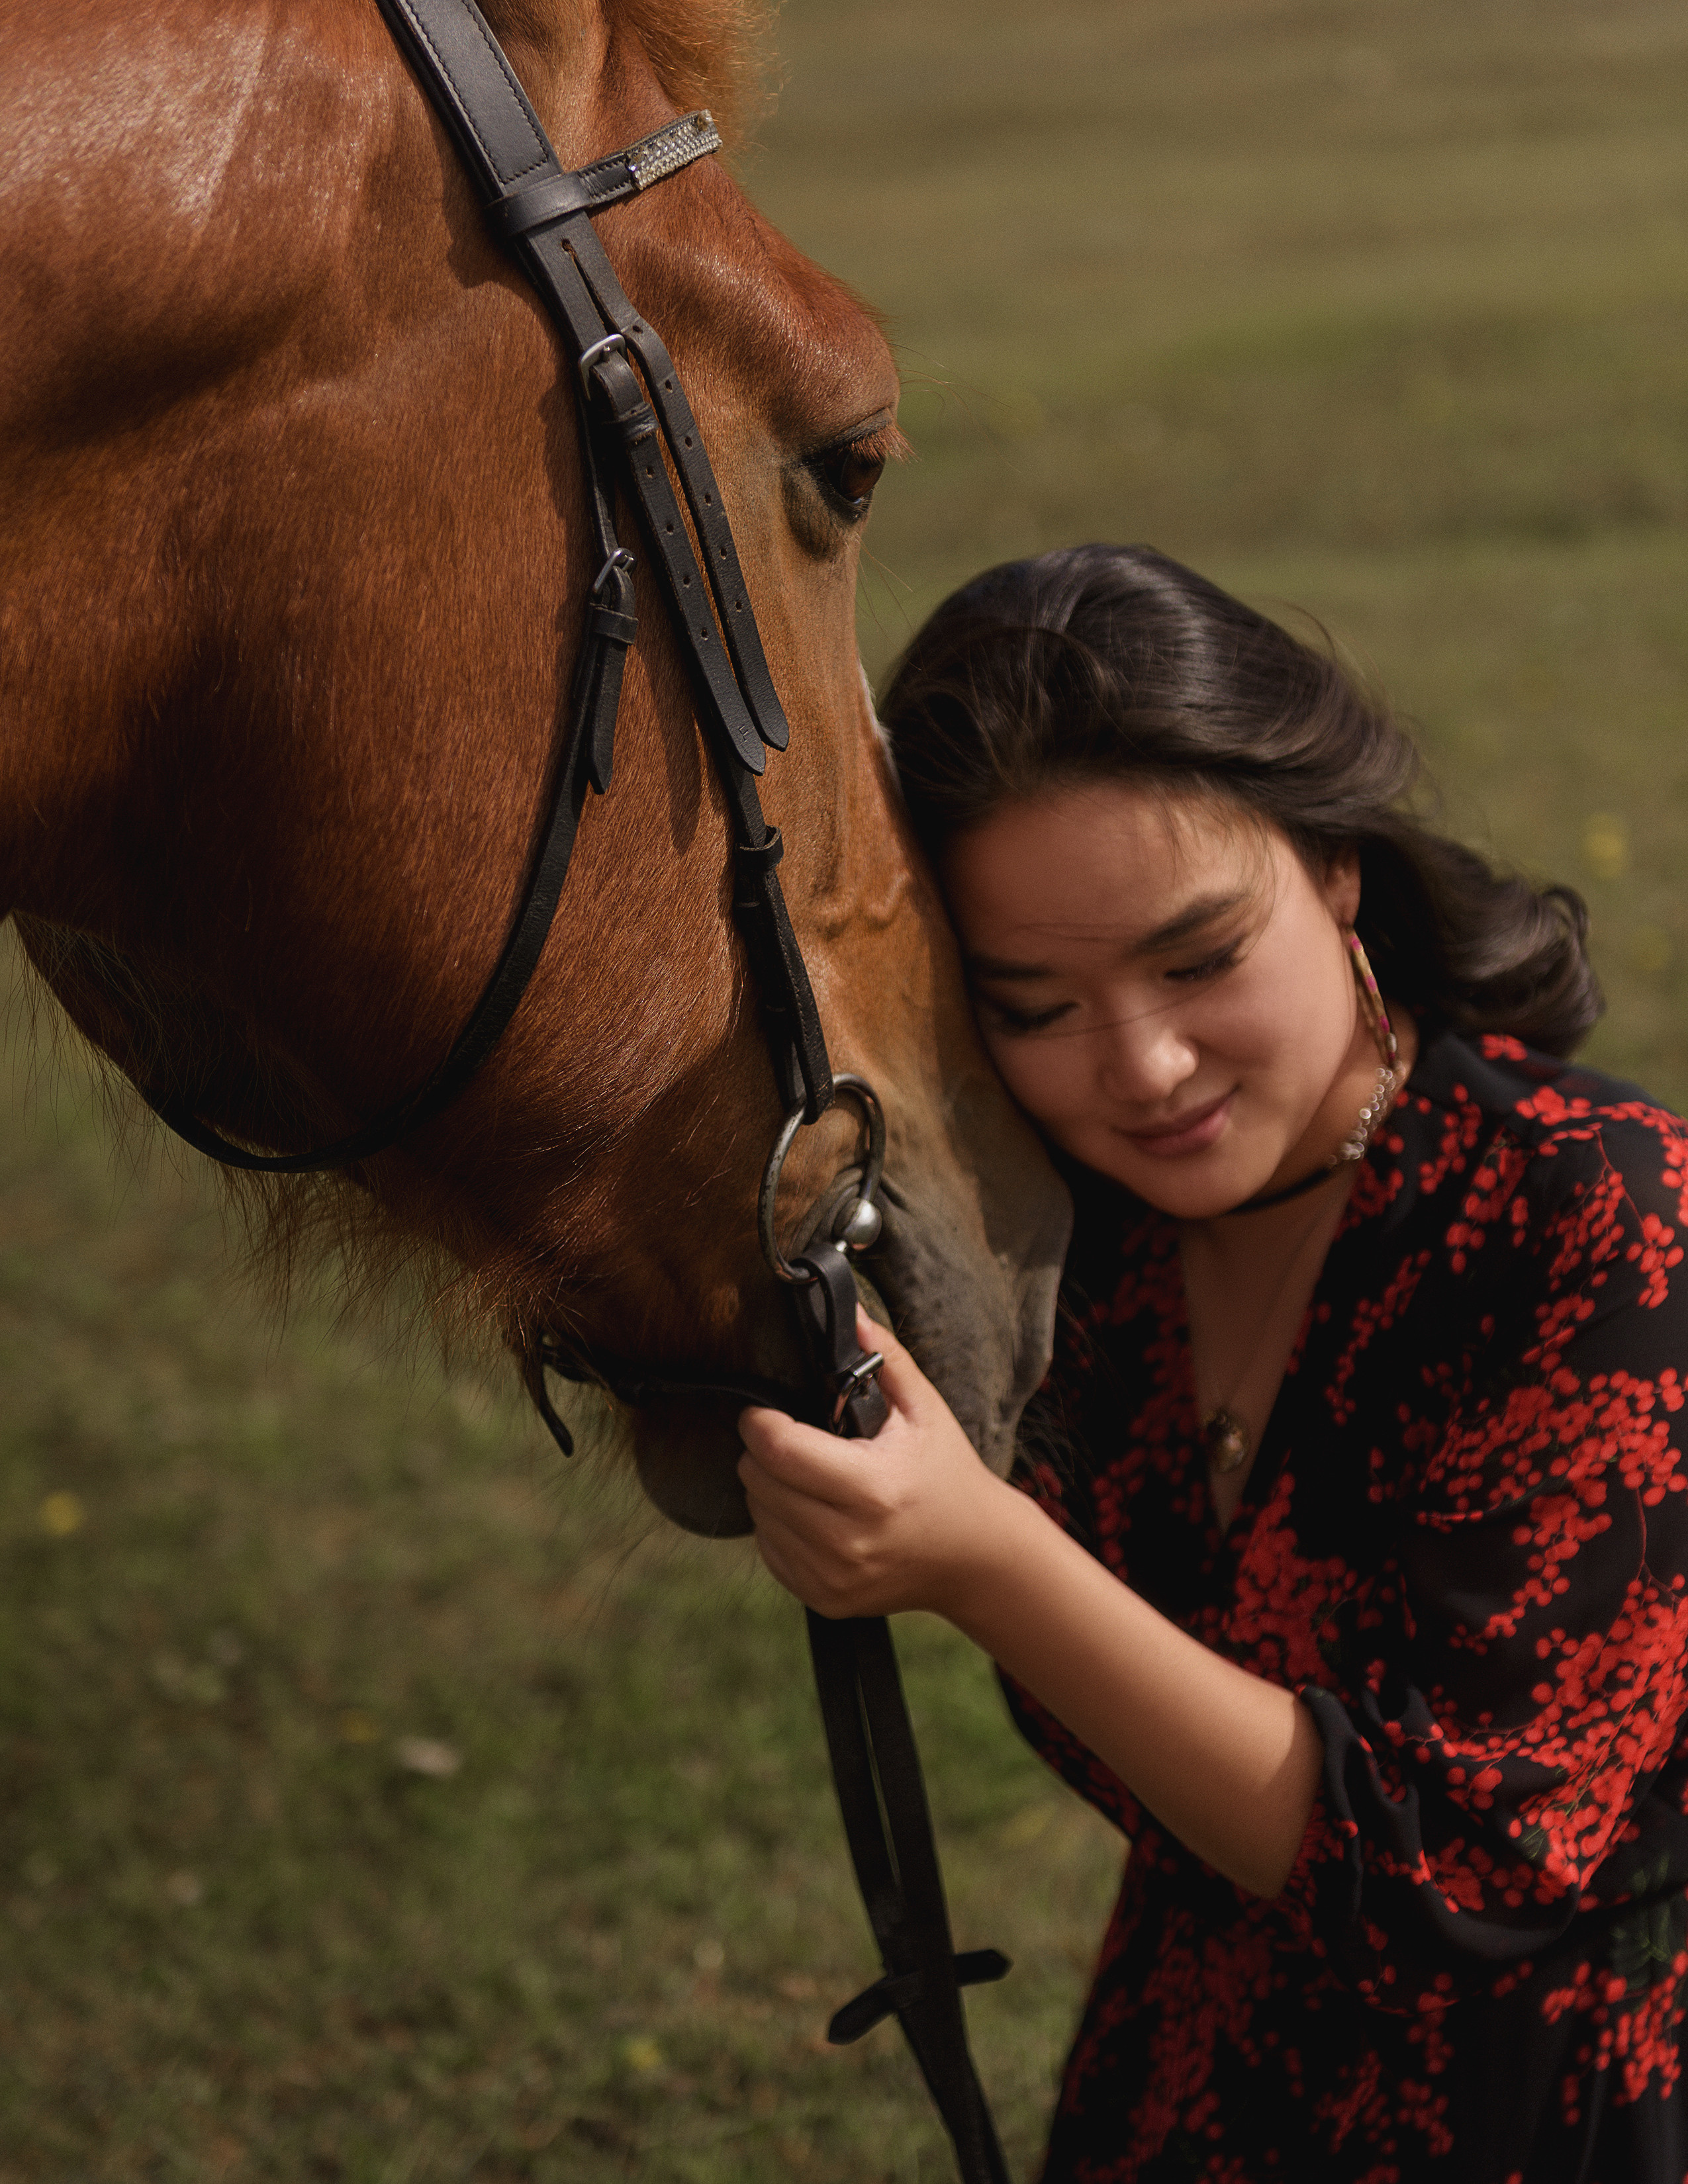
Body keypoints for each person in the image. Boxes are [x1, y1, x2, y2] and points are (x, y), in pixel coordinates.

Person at [737, 544, 1688, 2182]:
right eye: (1033, 1006)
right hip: (1178, 2097)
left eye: (1197, 960)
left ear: (1334, 864)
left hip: (1548, 2124)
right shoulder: (1077, 1259)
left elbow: (1460, 1879)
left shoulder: (1599, 1217)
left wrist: (984, 1560)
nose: (1145, 1068)